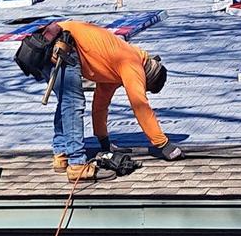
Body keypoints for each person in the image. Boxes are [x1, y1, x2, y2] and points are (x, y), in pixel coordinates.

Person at [41, 20, 184, 181]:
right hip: (64, 43)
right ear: (147, 78)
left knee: (66, 102)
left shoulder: (113, 67)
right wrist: (163, 145)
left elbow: (100, 105)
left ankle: (61, 155)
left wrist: (104, 141)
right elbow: (140, 105)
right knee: (72, 103)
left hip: (49, 40)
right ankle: (77, 166)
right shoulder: (131, 62)